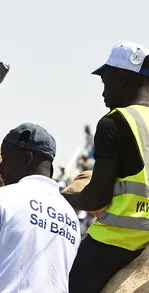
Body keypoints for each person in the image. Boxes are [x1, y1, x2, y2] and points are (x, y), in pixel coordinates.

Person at [62, 41, 149, 293]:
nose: (103, 93)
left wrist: (63, 199)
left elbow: (95, 197)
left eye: (105, 82)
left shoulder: (114, 122)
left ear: (121, 77)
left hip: (117, 241)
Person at [0, 123, 81, 293]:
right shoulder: (70, 215)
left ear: (27, 159)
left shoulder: (0, 199)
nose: (0, 169)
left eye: (5, 159)